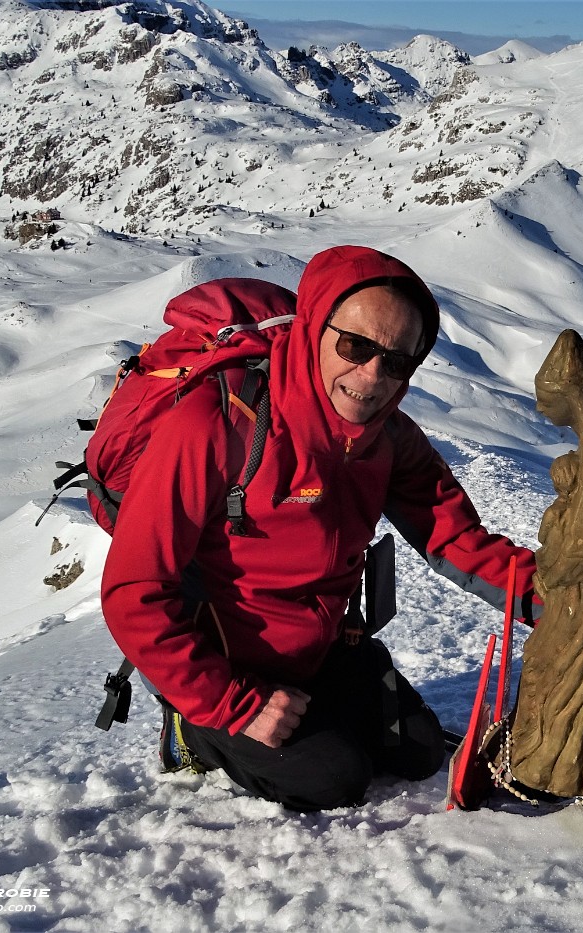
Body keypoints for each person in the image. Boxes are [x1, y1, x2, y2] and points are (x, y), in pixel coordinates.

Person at [101, 245, 541, 812]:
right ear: (313, 328)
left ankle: (311, 704)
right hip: (227, 665)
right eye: (354, 346)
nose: (372, 376)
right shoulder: (215, 422)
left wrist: (566, 603)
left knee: (421, 752)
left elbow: (456, 539)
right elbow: (134, 592)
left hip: (324, 648)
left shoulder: (390, 440)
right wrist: (233, 703)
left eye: (396, 360)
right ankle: (190, 731)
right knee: (335, 779)